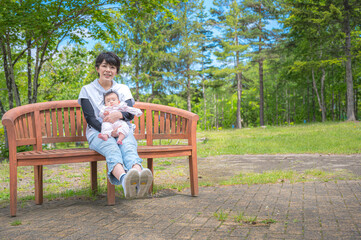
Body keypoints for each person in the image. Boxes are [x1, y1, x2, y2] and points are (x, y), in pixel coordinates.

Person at [78, 52, 152, 199]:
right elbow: (90, 118)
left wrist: (119, 116)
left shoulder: (123, 89)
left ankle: (138, 179)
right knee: (112, 148)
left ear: (116, 71)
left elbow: (130, 113)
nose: (108, 70)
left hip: (123, 130)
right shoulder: (87, 90)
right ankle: (125, 181)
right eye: (104, 66)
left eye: (112, 67)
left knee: (129, 148)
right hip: (99, 133)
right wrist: (110, 132)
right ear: (97, 68)